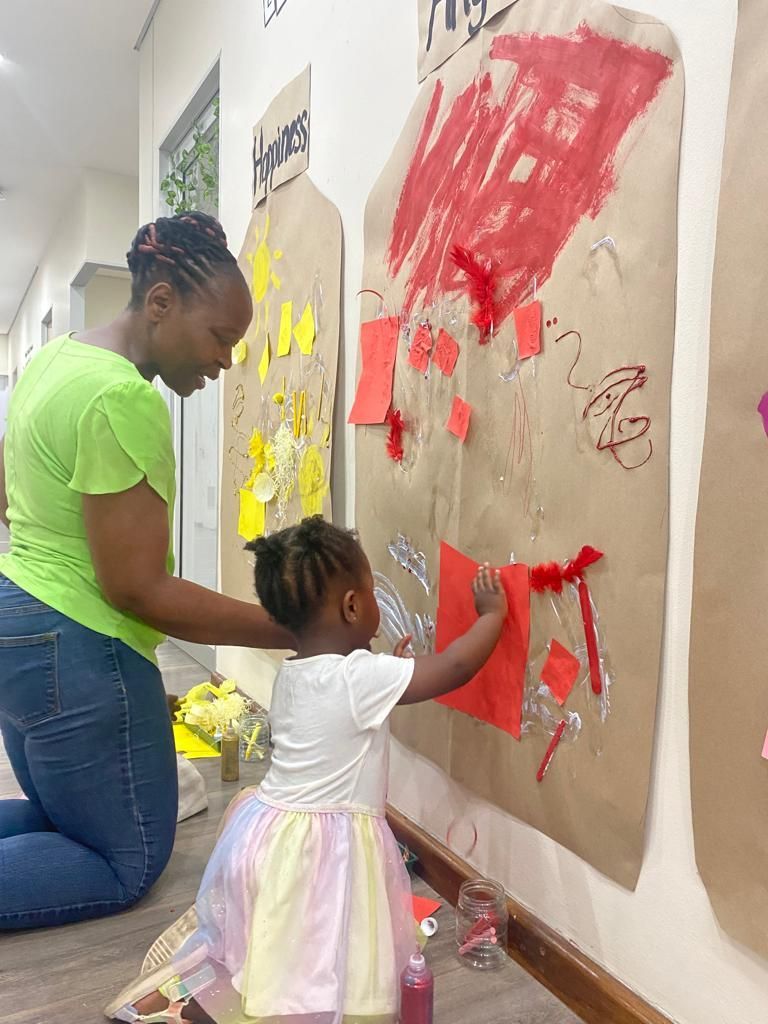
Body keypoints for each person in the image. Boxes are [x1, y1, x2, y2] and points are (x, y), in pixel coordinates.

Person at [0, 212, 294, 931]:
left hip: (18, 619)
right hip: (75, 641)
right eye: (220, 337)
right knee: (123, 859)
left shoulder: (56, 362)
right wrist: (287, 628)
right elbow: (134, 588)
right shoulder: (123, 395)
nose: (226, 360)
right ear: (160, 303)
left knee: (57, 818)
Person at [107, 516, 508, 1024]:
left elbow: (350, 711)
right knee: (320, 958)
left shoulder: (295, 673)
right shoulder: (361, 678)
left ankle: (199, 1009)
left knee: (274, 951)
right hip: (323, 846)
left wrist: (388, 669)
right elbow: (454, 668)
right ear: (354, 606)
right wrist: (491, 615)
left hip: (268, 834)